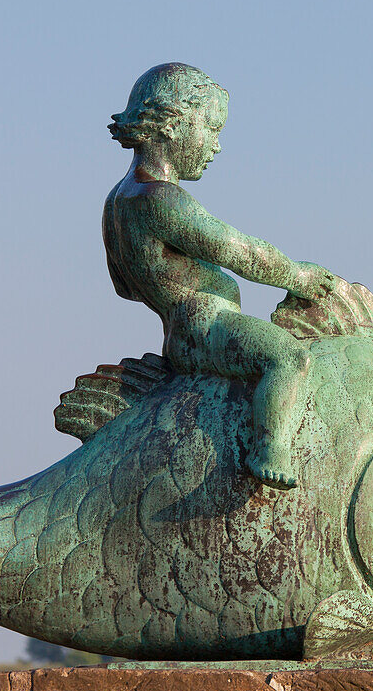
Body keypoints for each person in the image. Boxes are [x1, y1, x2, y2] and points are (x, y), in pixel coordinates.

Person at [103, 63, 335, 489]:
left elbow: (124, 286)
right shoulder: (161, 199)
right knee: (289, 358)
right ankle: (271, 448)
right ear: (173, 124)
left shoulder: (118, 201)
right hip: (205, 330)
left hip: (178, 330)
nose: (217, 145)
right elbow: (237, 250)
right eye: (211, 129)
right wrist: (297, 276)